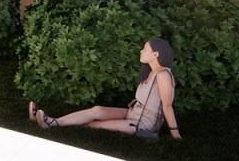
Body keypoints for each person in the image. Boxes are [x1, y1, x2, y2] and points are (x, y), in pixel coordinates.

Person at [29, 38, 181, 139]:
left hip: (143, 125)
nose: (141, 51)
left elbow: (167, 106)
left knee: (95, 125)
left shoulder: (163, 75)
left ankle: (49, 123)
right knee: (97, 110)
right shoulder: (149, 71)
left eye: (145, 49)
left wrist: (176, 135)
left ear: (155, 54)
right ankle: (52, 121)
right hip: (132, 113)